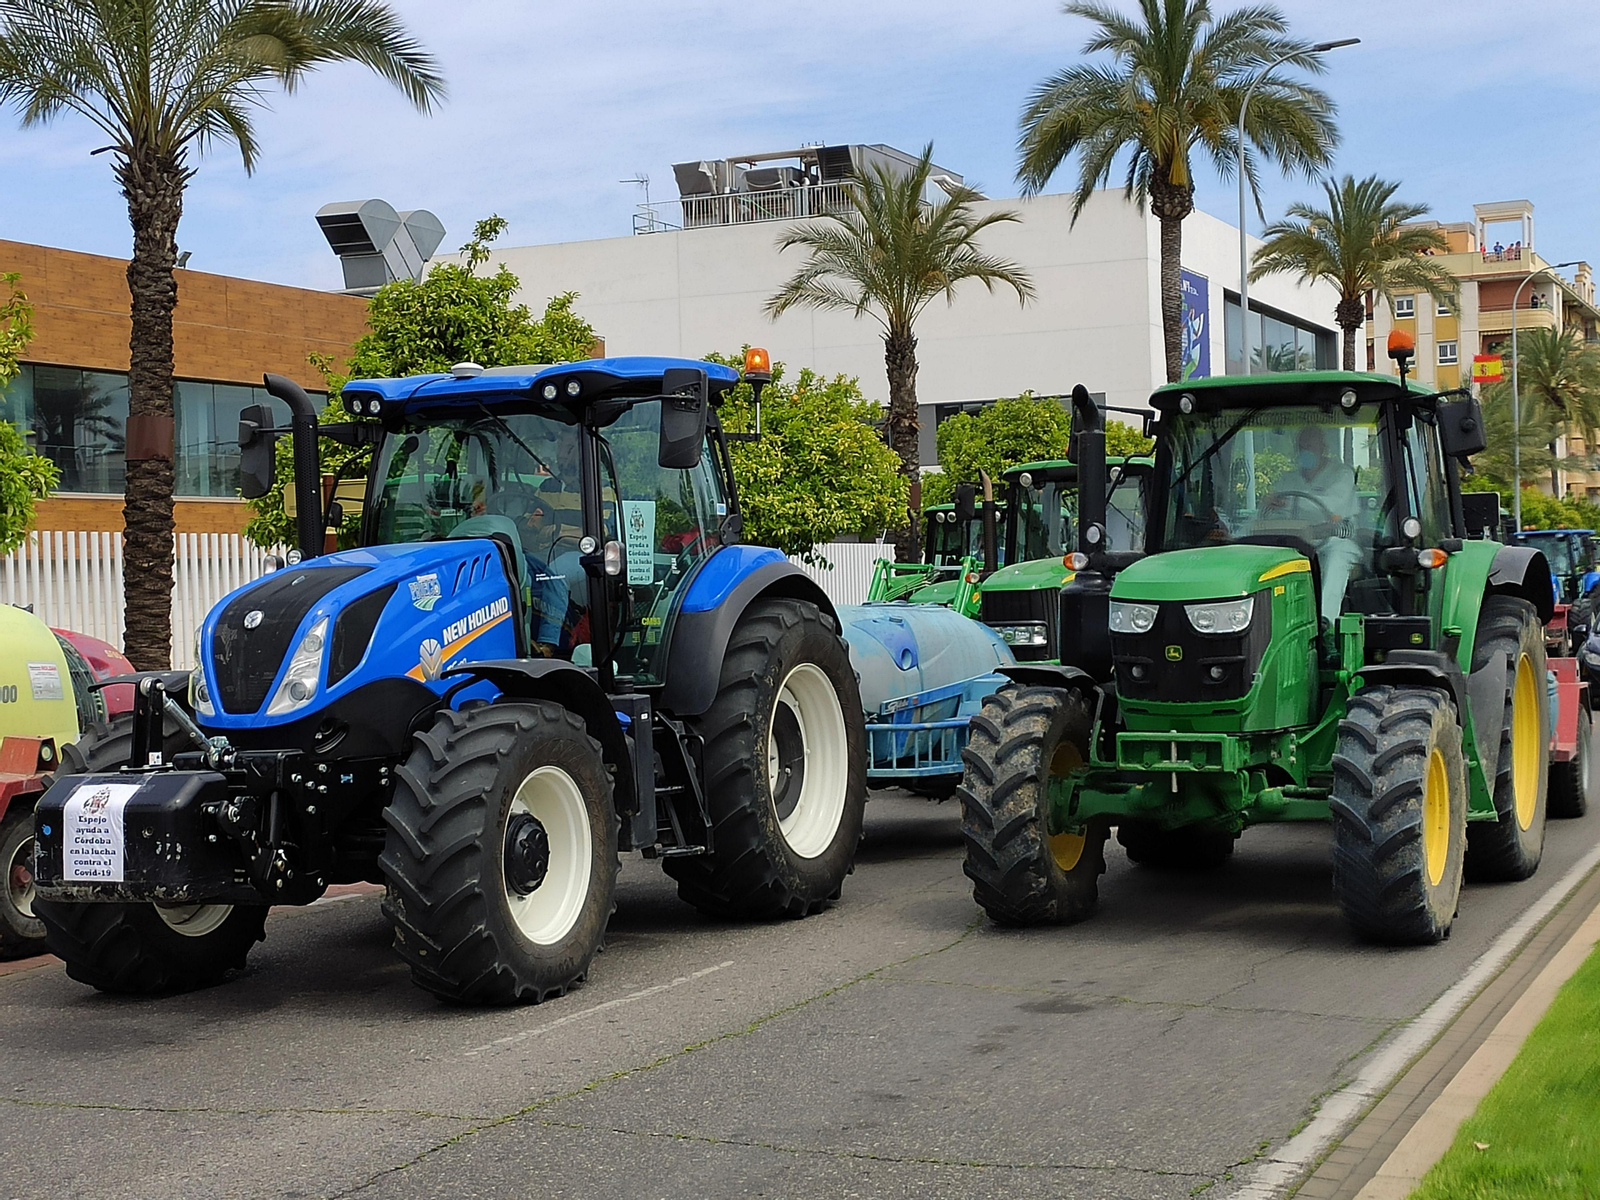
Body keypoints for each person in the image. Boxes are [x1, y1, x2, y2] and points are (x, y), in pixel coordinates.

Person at [1257, 425, 1361, 621]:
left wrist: (1286, 502)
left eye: (1310, 445)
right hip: (1296, 542)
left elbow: (1332, 506)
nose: (1305, 450)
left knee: (1336, 559)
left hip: (1334, 539)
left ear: (1322, 448)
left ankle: (1325, 621)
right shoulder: (1287, 479)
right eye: (1301, 446)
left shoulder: (1342, 474)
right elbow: (1265, 513)